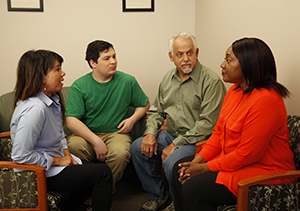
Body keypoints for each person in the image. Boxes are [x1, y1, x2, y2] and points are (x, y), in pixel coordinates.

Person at [172, 37, 297, 211]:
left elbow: (246, 155)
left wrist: (203, 168)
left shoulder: (266, 100)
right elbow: (218, 133)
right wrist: (198, 160)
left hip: (265, 171)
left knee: (193, 189)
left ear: (249, 65)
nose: (222, 65)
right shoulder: (234, 90)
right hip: (234, 161)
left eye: (228, 60)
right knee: (179, 168)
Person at [130, 32, 227, 211]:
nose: (185, 59)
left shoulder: (211, 81)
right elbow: (156, 111)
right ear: (171, 57)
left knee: (171, 162)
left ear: (197, 53)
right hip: (172, 134)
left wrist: (175, 144)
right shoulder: (168, 78)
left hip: (198, 141)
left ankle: (178, 204)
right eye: (179, 54)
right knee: (138, 148)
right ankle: (158, 196)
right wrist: (150, 133)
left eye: (189, 53)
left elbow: (207, 124)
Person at [10, 50, 113, 211]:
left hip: (54, 162)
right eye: (57, 69)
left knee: (95, 172)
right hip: (37, 173)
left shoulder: (51, 100)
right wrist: (60, 161)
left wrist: (66, 155)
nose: (63, 73)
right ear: (41, 76)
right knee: (103, 174)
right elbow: (21, 156)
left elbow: (59, 133)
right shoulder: (34, 110)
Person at [66, 40, 150, 190]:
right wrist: (96, 141)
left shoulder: (127, 81)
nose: (113, 62)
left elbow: (144, 104)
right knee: (73, 146)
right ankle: (86, 190)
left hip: (116, 133)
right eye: (106, 58)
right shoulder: (79, 85)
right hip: (87, 134)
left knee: (120, 153)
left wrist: (132, 120)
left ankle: (104, 192)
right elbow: (72, 121)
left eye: (114, 56)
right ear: (93, 63)